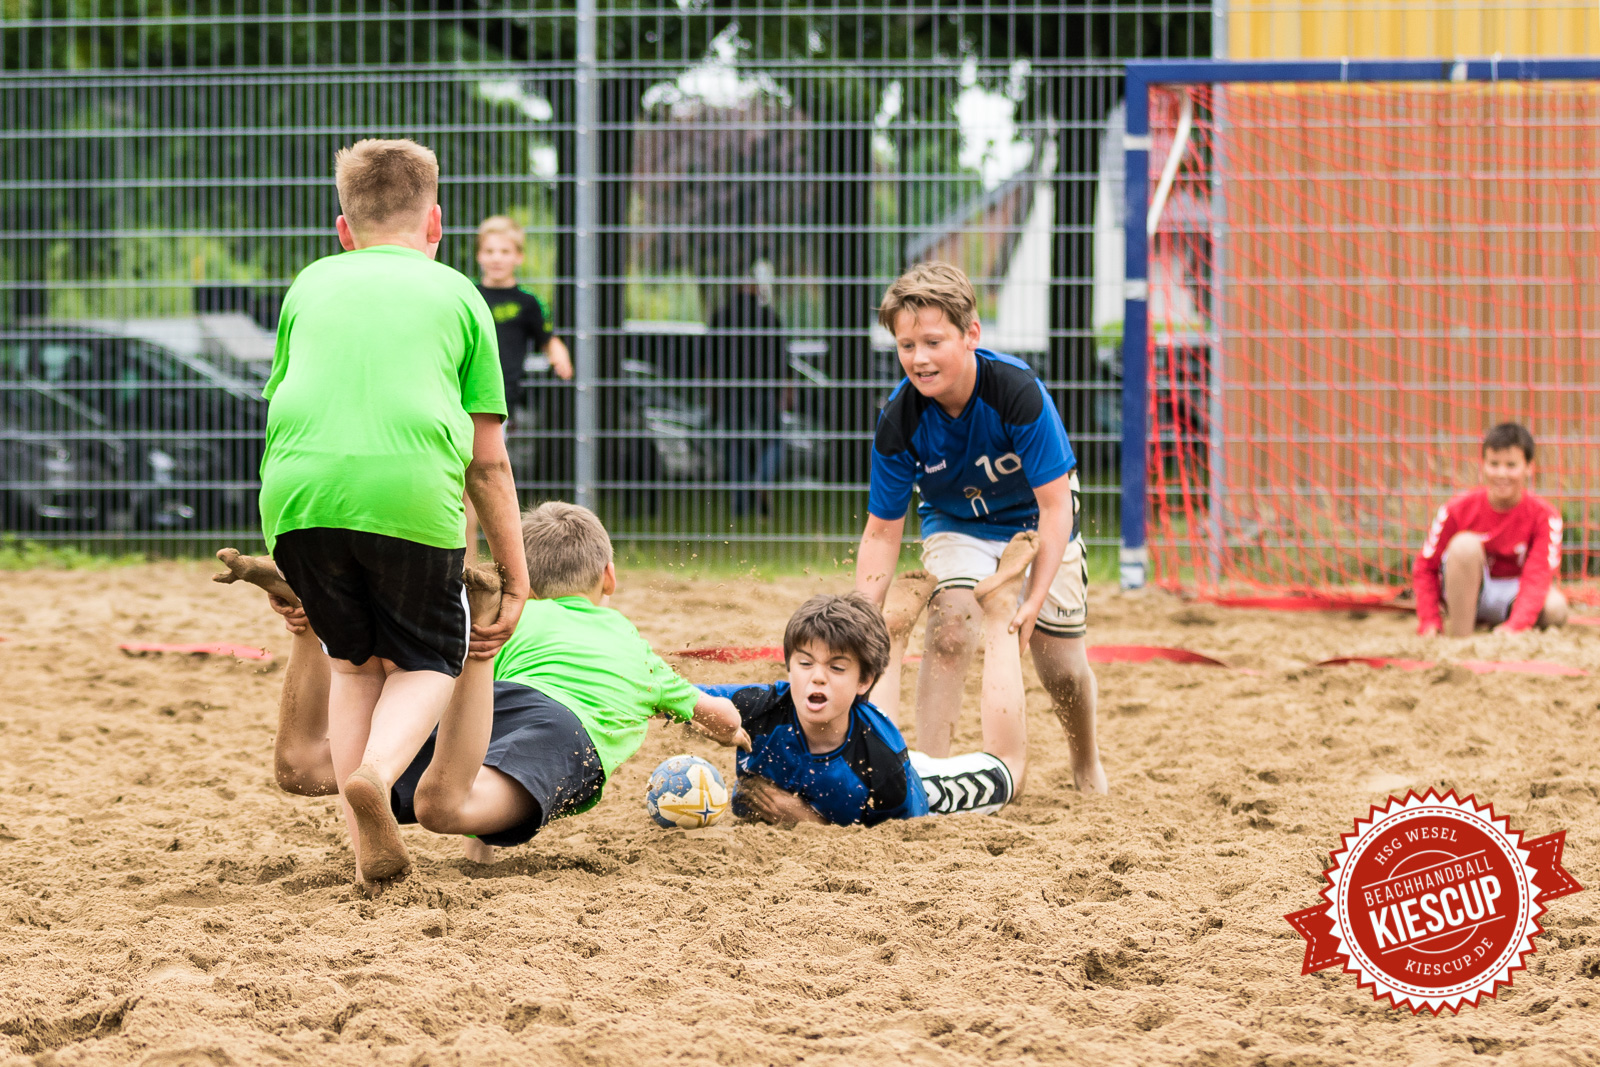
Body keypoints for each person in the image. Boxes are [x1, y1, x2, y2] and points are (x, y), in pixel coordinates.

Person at [257, 138, 530, 883]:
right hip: (407, 496)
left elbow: (286, 400)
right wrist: (516, 570)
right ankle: (376, 771)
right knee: (433, 657)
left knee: (352, 667)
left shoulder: (310, 284)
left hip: (295, 498)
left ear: (344, 230)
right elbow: (488, 460)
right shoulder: (460, 294)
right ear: (435, 224)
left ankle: (363, 854)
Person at [214, 501, 749, 870]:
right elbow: (717, 716)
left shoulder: (525, 620)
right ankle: (477, 647)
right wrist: (735, 737)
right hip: (569, 731)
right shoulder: (633, 647)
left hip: (500, 706)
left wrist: (481, 854)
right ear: (608, 577)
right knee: (442, 808)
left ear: (526, 583)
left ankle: (310, 621)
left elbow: (475, 724)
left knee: (302, 769)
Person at [852, 261, 1106, 796]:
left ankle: (1086, 762)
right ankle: (924, 772)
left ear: (972, 335)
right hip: (958, 523)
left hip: (1036, 523)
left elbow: (1057, 507)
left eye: (931, 342)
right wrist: (862, 619)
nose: (917, 359)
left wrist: (1033, 599)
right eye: (905, 346)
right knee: (949, 629)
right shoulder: (900, 421)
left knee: (1060, 668)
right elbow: (880, 533)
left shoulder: (1016, 391)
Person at [699, 592, 1019, 827]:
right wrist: (698, 716)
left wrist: (807, 822)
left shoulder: (884, 769)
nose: (818, 677)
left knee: (1009, 774)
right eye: (805, 663)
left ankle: (1001, 608)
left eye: (837, 668)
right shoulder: (760, 706)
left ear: (864, 680)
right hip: (870, 744)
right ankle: (893, 629)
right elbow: (677, 696)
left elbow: (900, 839)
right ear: (788, 667)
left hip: (923, 788)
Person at [1414, 422, 1568, 637]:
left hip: (1513, 595)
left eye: (1511, 465)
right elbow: (1425, 567)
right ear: (1483, 465)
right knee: (1464, 546)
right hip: (1466, 594)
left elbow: (1538, 575)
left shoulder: (1545, 515)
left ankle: (1505, 629)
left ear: (1529, 467)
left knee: (1556, 608)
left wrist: (1515, 626)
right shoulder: (1457, 509)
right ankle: (1460, 638)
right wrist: (1430, 620)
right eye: (1494, 464)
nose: (1501, 473)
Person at [707, 270, 788, 518]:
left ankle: (741, 503)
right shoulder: (769, 317)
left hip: (731, 389)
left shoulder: (721, 317)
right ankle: (761, 479)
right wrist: (786, 388)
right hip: (765, 388)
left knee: (735, 444)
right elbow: (783, 357)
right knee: (774, 441)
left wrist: (712, 390)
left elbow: (710, 358)